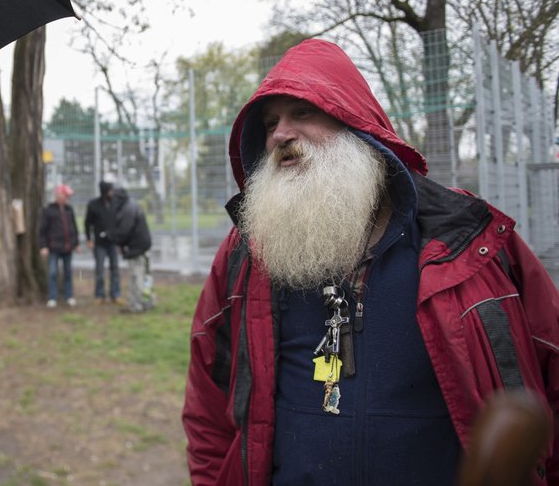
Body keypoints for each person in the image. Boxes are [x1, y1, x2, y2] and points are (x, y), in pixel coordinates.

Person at [182, 38, 559, 485]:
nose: (280, 133)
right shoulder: (247, 255)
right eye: (270, 123)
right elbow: (208, 408)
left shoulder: (469, 239)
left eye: (302, 112)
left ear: (356, 125)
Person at [111, 187, 154, 313]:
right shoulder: (132, 205)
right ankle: (148, 302)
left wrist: (116, 241)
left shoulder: (127, 210)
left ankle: (136, 306)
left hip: (137, 249)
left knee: (136, 278)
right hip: (145, 246)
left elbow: (124, 232)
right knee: (147, 277)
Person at [39, 184, 79, 307]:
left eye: (68, 196)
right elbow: (42, 230)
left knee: (68, 272)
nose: (67, 198)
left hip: (68, 247)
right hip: (54, 247)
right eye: (66, 195)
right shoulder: (48, 210)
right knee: (52, 272)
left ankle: (69, 296)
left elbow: (74, 227)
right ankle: (52, 297)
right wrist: (43, 246)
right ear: (59, 196)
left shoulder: (69, 209)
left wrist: (76, 243)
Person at [85, 180, 120, 304]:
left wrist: (119, 241)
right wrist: (89, 239)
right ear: (104, 191)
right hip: (99, 243)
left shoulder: (115, 203)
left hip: (113, 242)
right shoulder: (93, 205)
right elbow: (87, 223)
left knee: (115, 268)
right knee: (100, 269)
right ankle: (99, 295)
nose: (112, 192)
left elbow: (119, 222)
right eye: (110, 190)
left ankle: (115, 294)